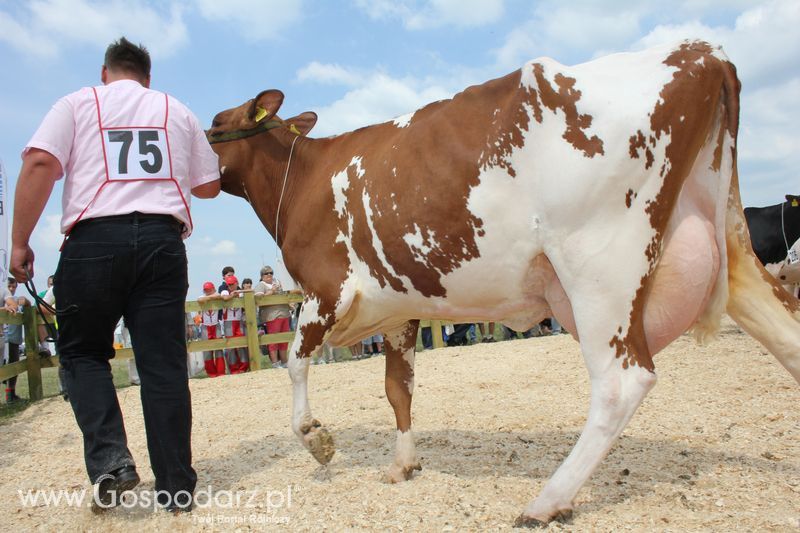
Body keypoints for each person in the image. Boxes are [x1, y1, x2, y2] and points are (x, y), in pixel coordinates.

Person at [10, 37, 220, 513]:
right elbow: (208, 186)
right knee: (163, 366)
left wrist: (20, 242)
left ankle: (112, 462)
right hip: (163, 240)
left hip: (94, 240)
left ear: (105, 73)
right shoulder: (176, 110)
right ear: (148, 78)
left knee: (83, 353)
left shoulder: (77, 103)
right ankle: (176, 488)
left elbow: (40, 161)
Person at [253, 266, 291, 368]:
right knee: (273, 340)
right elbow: (258, 298)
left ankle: (284, 361)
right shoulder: (261, 285)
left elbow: (287, 293)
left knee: (284, 339)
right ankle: (275, 362)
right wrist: (272, 291)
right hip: (272, 316)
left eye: (271, 272)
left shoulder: (278, 282)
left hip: (285, 313)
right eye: (266, 273)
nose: (269, 274)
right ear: (262, 276)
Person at [220, 274, 249, 373]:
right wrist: (233, 295)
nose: (230, 286)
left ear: (237, 283)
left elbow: (250, 292)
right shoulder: (225, 291)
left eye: (232, 284)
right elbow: (225, 298)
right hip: (228, 322)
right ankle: (233, 368)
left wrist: (241, 291)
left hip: (239, 320)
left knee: (241, 344)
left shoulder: (240, 293)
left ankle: (243, 367)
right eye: (229, 284)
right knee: (231, 346)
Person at [197, 281, 225, 377]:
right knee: (207, 350)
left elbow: (219, 296)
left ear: (213, 289)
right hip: (205, 326)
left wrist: (209, 298)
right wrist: (209, 297)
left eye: (209, 290)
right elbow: (200, 300)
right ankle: (211, 373)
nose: (208, 291)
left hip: (216, 324)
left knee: (218, 349)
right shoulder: (202, 297)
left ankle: (221, 372)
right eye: (206, 290)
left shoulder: (216, 295)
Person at [3, 280, 23, 403]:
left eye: (13, 286)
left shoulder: (17, 300)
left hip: (14, 339)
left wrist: (25, 301)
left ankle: (11, 394)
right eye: (9, 286)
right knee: (5, 367)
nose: (11, 288)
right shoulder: (2, 299)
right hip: (4, 339)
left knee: (14, 367)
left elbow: (28, 306)